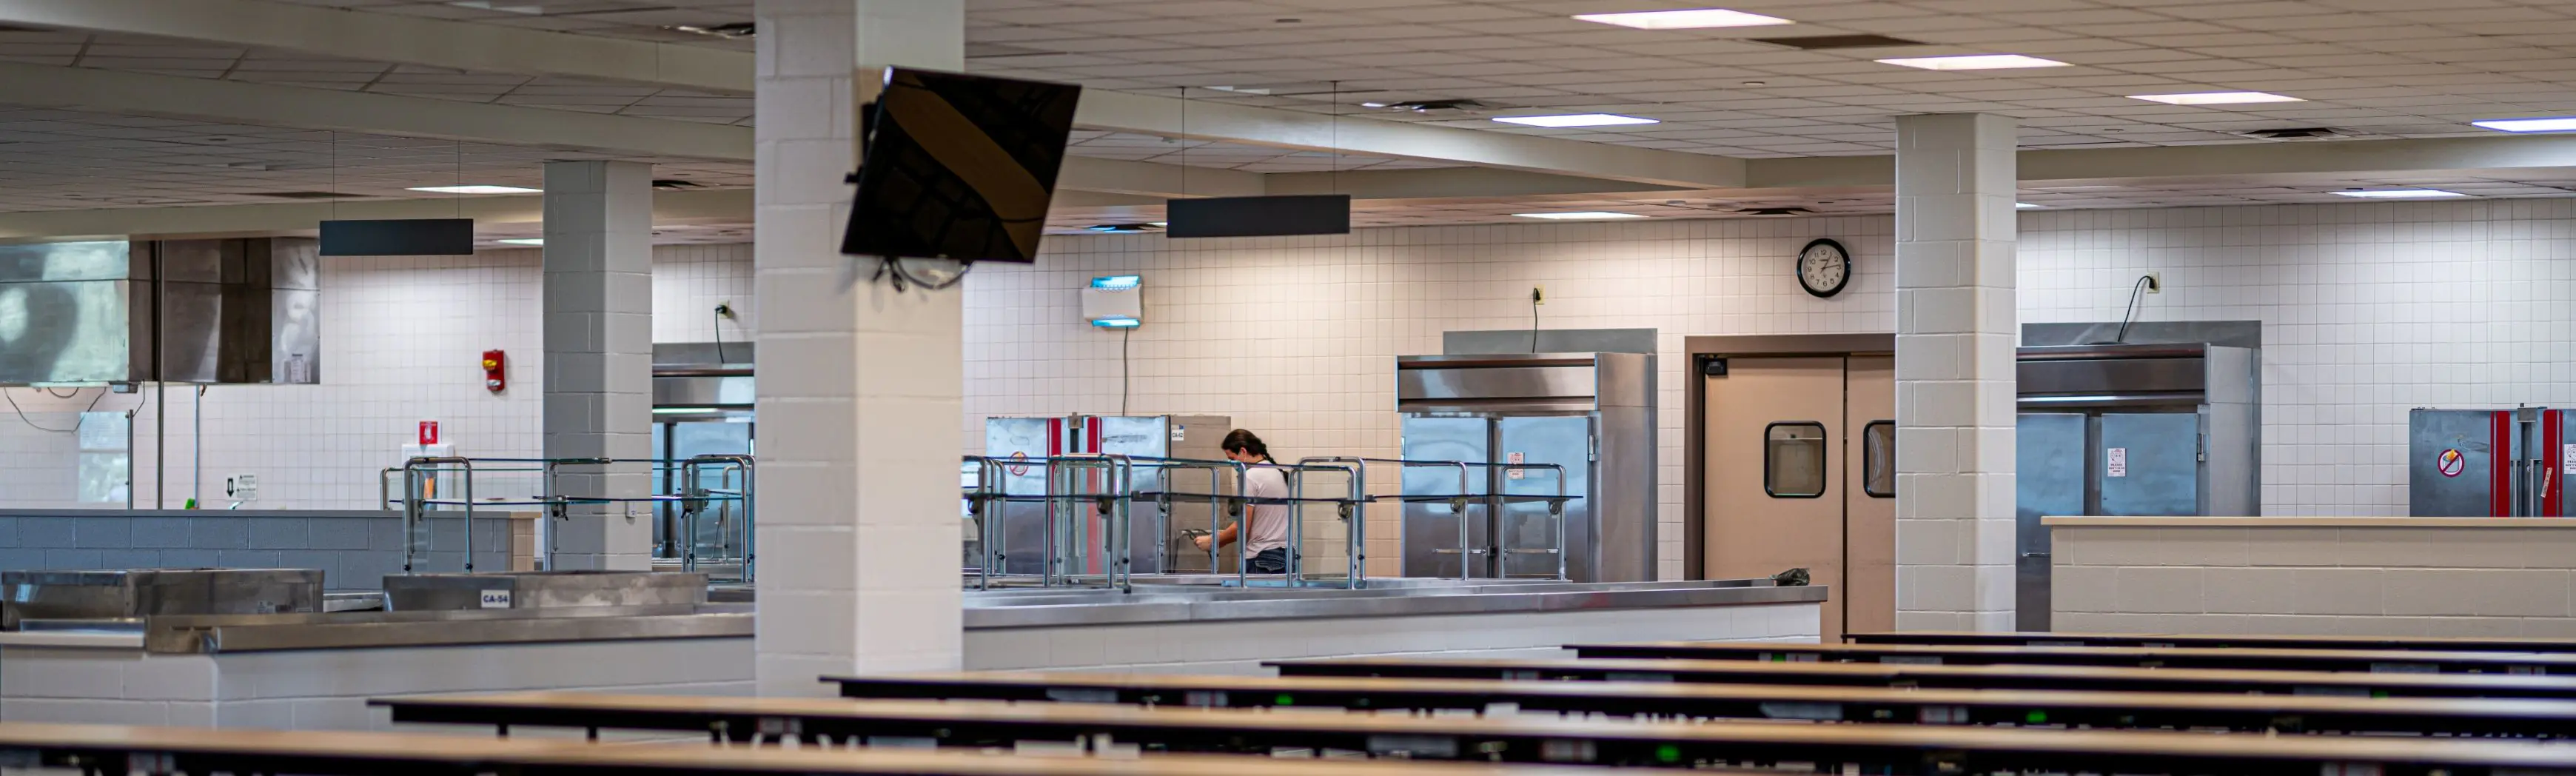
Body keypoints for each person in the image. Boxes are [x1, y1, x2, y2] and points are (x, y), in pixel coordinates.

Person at [1193, 429, 1292, 574]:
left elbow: (1242, 528)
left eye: (1232, 458)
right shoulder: (1276, 471)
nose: (1232, 464)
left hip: (1262, 558)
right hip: (1287, 556)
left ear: (1243, 452)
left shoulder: (1249, 477)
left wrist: (1213, 542)